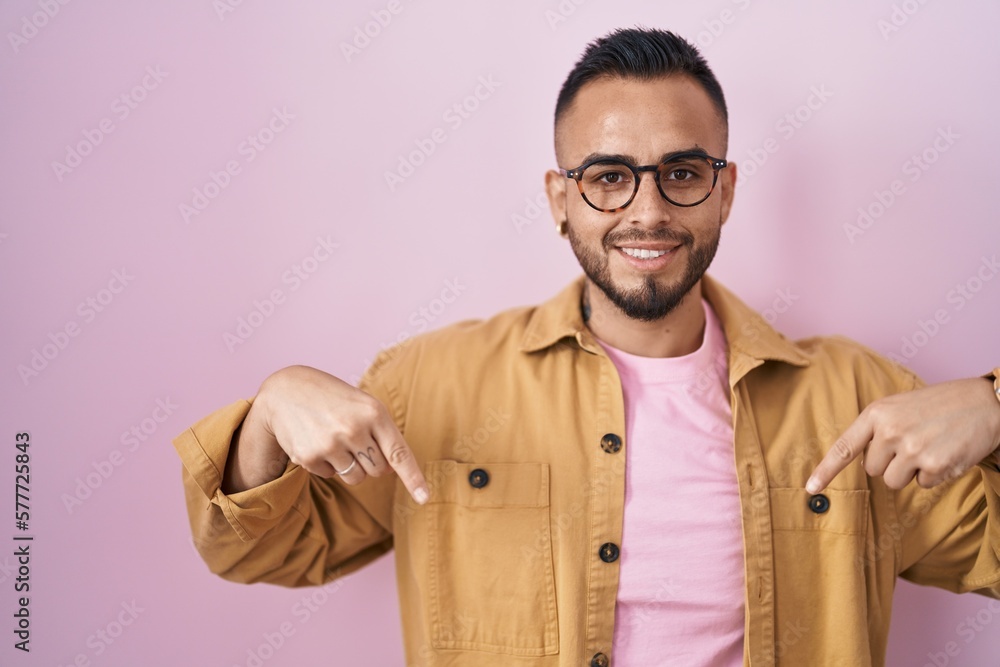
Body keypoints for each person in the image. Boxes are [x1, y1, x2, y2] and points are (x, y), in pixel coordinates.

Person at [173, 27, 1000, 666]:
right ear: (559, 198)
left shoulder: (856, 398)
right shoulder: (433, 383)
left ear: (726, 191)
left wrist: (995, 403)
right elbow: (258, 548)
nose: (647, 211)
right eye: (609, 176)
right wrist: (272, 409)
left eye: (682, 172)